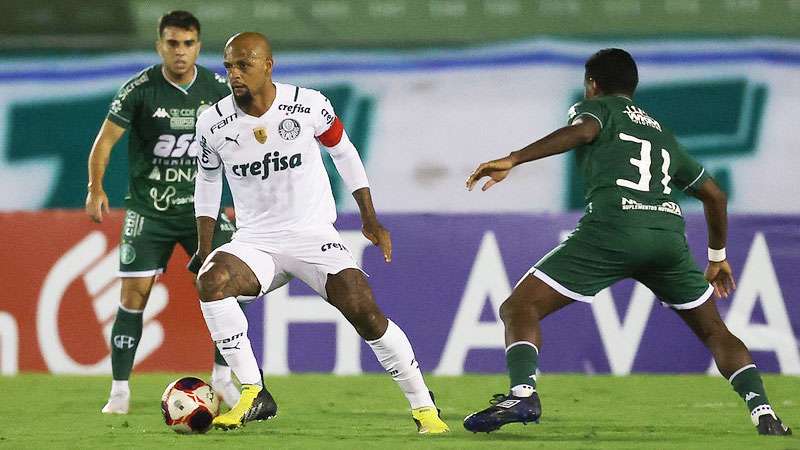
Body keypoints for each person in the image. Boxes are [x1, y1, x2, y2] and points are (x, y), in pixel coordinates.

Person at [462, 48, 791, 436]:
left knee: (520, 307)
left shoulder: (601, 111)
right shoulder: (660, 132)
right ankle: (764, 412)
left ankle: (522, 393)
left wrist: (514, 158)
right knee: (714, 331)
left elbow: (583, 131)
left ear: (592, 85)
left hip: (613, 229)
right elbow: (715, 195)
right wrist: (717, 257)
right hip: (668, 237)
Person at [192, 32, 449, 434]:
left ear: (268, 65)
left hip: (312, 235)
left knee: (363, 309)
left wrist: (369, 216)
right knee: (212, 280)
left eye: (243, 64)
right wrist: (205, 246)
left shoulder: (309, 105)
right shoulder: (212, 123)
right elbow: (207, 180)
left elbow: (344, 152)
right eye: (228, 66)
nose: (234, 74)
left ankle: (423, 406)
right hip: (255, 241)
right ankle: (253, 391)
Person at [85, 10, 242, 414]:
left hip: (201, 212)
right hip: (148, 212)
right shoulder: (139, 89)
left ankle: (223, 378)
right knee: (133, 297)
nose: (180, 52)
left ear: (198, 46)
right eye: (172, 43)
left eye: (188, 44)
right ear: (160, 45)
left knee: (225, 288)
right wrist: (95, 188)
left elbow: (243, 146)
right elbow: (104, 143)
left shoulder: (219, 89)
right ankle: (119, 390)